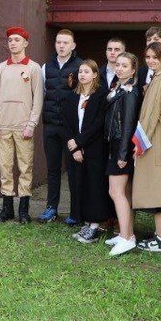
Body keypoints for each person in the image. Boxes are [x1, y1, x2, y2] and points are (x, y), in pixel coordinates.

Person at [0, 26, 45, 223]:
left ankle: (23, 210)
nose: (13, 43)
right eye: (10, 40)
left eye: (17, 40)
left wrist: (31, 124)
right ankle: (7, 209)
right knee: (5, 168)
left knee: (25, 167)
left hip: (23, 127)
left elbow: (38, 98)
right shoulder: (0, 68)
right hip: (3, 126)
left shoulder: (33, 68)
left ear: (25, 43)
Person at [63, 60, 112, 243]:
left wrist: (80, 141)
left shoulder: (101, 96)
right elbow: (66, 122)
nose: (82, 75)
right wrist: (74, 146)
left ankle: (94, 226)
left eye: (86, 71)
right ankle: (85, 221)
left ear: (94, 75)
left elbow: (98, 124)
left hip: (94, 149)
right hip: (75, 150)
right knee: (78, 185)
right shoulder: (71, 96)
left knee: (94, 186)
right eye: (80, 71)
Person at [133, 43, 161, 252]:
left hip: (154, 136)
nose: (150, 60)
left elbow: (150, 114)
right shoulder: (157, 78)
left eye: (155, 57)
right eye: (148, 56)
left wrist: (140, 142)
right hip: (156, 134)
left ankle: (160, 238)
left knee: (159, 187)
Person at [40, 29, 82, 223]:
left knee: (73, 170)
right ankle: (51, 208)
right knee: (53, 169)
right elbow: (42, 94)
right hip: (50, 126)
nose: (62, 46)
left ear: (73, 45)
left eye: (66, 42)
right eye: (58, 42)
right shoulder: (45, 67)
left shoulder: (80, 66)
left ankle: (75, 212)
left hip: (71, 129)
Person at [105, 52, 141, 256]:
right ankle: (127, 233)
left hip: (121, 145)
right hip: (115, 144)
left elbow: (128, 125)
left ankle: (127, 238)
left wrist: (122, 153)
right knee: (124, 192)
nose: (119, 68)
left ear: (133, 70)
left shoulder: (130, 92)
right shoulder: (118, 88)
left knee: (115, 192)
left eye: (124, 66)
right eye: (117, 65)